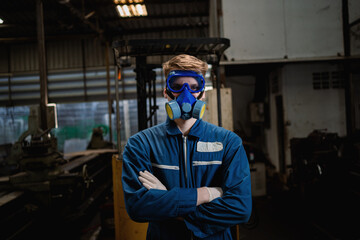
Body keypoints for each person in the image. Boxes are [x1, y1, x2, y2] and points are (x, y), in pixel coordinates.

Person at [121, 54, 252, 240]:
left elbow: (240, 208)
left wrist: (167, 199)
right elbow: (138, 207)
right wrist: (208, 194)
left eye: (193, 87)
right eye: (177, 86)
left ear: (203, 92)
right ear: (165, 91)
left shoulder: (228, 142)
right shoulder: (141, 144)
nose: (186, 94)